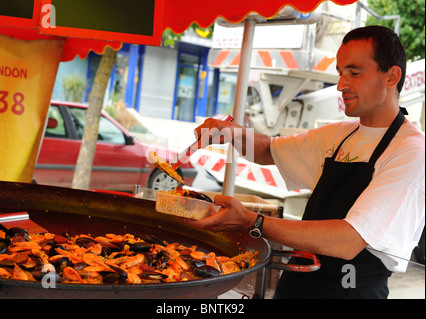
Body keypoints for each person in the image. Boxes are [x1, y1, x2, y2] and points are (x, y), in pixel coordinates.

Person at [182, 25, 425, 299]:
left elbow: (348, 240)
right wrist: (232, 133)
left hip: (350, 292)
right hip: (298, 284)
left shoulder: (411, 150)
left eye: (354, 73)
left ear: (391, 76)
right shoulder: (340, 135)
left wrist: (253, 221)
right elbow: (268, 151)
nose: (341, 84)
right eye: (340, 73)